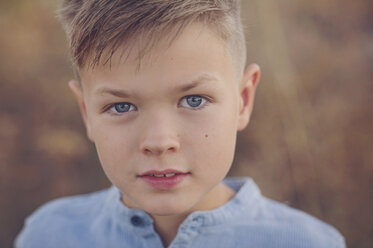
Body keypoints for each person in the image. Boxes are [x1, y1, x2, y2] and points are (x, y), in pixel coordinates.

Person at [15, 0, 346, 247]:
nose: (159, 142)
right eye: (122, 106)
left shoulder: (307, 242)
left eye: (194, 100)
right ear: (86, 112)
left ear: (243, 100)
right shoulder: (49, 235)